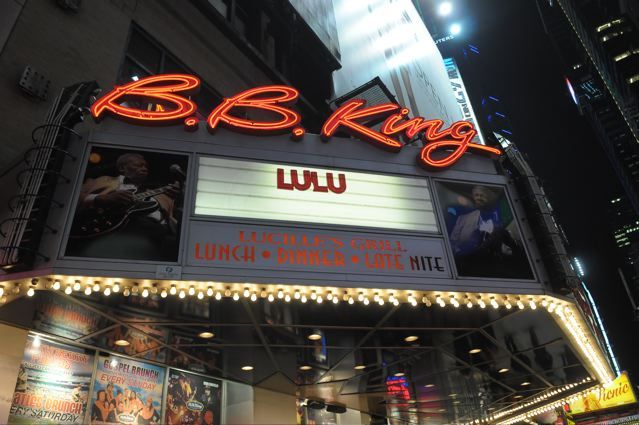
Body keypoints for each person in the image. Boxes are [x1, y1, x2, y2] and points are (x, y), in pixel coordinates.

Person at [67, 152, 182, 261]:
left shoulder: (161, 194)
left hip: (156, 237)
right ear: (122, 168)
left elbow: (178, 216)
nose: (144, 168)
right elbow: (68, 198)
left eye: (146, 166)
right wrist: (101, 198)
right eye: (138, 165)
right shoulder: (100, 181)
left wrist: (181, 194)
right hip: (107, 230)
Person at [448, 185, 531, 278]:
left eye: (482, 195)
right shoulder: (463, 219)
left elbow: (514, 249)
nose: (479, 198)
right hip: (469, 267)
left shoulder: (504, 219)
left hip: (497, 270)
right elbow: (452, 244)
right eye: (476, 195)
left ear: (490, 198)